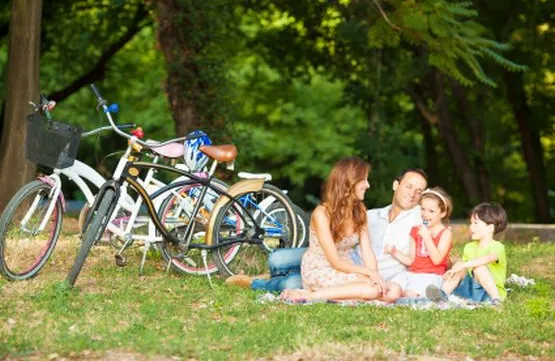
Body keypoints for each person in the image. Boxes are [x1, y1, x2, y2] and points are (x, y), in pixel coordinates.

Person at [226, 168, 428, 292]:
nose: (413, 194)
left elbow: (439, 217)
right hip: (341, 258)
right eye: (409, 187)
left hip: (362, 272)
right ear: (396, 185)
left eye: (419, 191)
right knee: (277, 259)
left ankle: (261, 283)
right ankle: (272, 274)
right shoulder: (374, 214)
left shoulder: (420, 218)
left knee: (292, 285)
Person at [280, 157, 399, 302]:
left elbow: (367, 249)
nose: (367, 185)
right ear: (350, 182)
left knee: (393, 290)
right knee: (372, 288)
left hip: (347, 268)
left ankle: (339, 297)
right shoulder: (322, 214)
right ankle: (309, 296)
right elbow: (335, 261)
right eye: (364, 180)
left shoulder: (360, 210)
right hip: (321, 268)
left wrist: (374, 274)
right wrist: (369, 274)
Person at [426, 202, 508, 304]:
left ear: (490, 228)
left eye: (476, 223)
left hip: (490, 293)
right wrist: (453, 268)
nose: (471, 227)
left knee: (479, 268)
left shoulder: (497, 246)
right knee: (459, 265)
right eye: (471, 223)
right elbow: (463, 270)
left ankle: (496, 301)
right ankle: (443, 295)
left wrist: (464, 264)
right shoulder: (469, 247)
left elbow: (487, 258)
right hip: (472, 291)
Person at [384, 187, 453, 298]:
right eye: (423, 209)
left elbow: (437, 259)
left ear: (443, 213)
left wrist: (427, 237)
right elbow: (411, 261)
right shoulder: (416, 230)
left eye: (431, 211)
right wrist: (394, 252)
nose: (425, 214)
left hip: (431, 276)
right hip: (412, 274)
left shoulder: (445, 233)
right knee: (391, 290)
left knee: (408, 294)